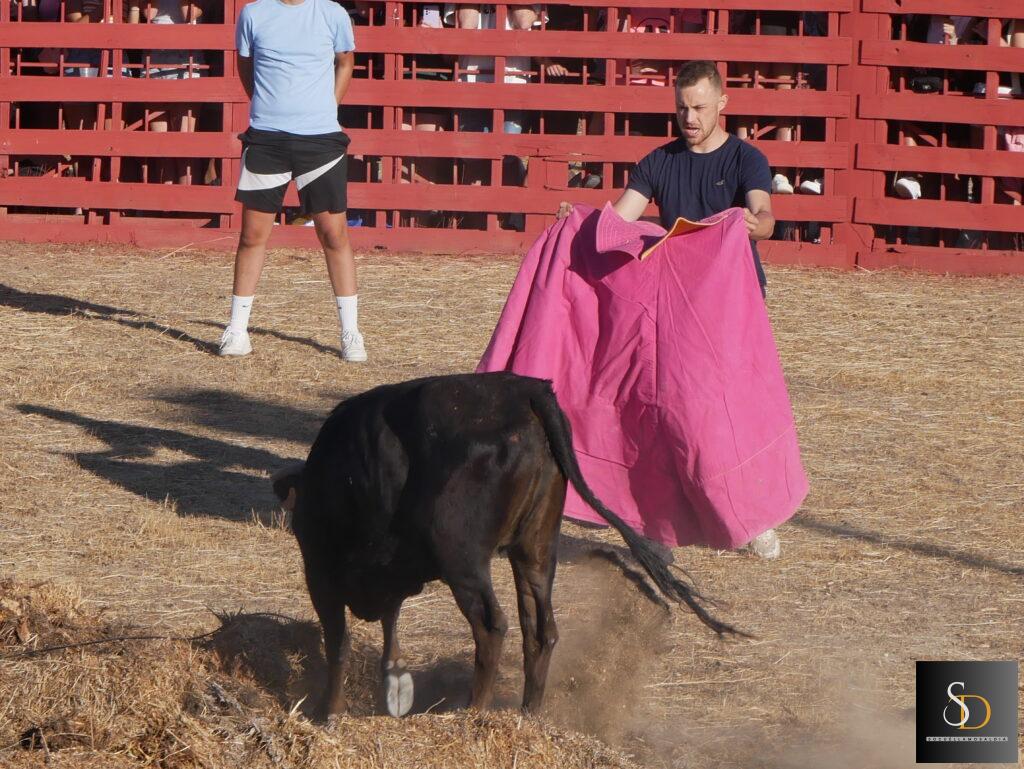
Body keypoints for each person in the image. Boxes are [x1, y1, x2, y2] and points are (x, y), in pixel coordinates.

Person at [557, 59, 783, 558]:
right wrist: (581, 221)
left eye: (699, 107)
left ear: (722, 103)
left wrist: (757, 224)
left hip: (731, 302)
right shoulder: (657, 162)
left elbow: (764, 214)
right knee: (666, 414)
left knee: (729, 409)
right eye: (682, 108)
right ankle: (657, 525)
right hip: (674, 307)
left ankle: (751, 517)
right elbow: (619, 224)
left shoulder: (746, 159)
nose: (690, 117)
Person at [219, 0, 365, 361]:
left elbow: (345, 62)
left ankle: (351, 333)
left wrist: (328, 108)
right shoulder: (253, 13)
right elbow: (245, 65)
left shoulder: (332, 13)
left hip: (321, 141)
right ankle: (236, 331)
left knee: (334, 235)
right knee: (252, 235)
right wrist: (265, 107)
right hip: (266, 139)